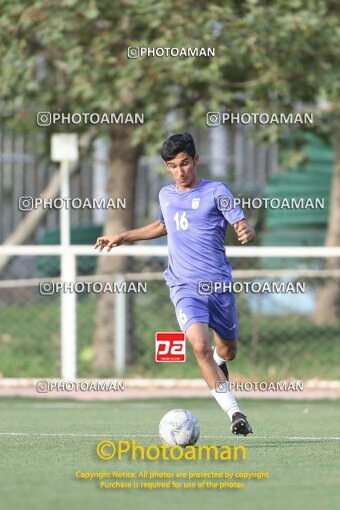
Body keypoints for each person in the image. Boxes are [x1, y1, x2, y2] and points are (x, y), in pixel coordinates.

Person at [94, 132, 256, 435]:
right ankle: (236, 415)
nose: (179, 172)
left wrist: (246, 229)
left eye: (184, 164)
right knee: (199, 346)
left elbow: (241, 223)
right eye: (172, 166)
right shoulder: (166, 195)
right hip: (183, 285)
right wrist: (123, 236)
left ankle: (221, 363)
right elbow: (162, 225)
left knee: (228, 350)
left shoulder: (217, 191)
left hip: (218, 286)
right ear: (167, 168)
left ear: (196, 160)